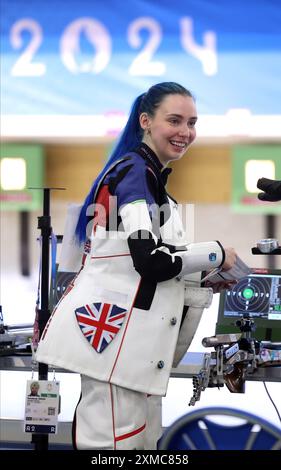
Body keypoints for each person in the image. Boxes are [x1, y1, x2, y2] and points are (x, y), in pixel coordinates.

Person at [36, 82, 238, 450]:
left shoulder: (148, 179)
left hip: (129, 352)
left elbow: (141, 265)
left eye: (192, 122)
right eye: (174, 120)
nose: (186, 132)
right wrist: (215, 253)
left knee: (139, 442)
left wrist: (201, 281)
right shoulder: (134, 173)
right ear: (145, 121)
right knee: (116, 446)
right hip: (116, 349)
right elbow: (151, 263)